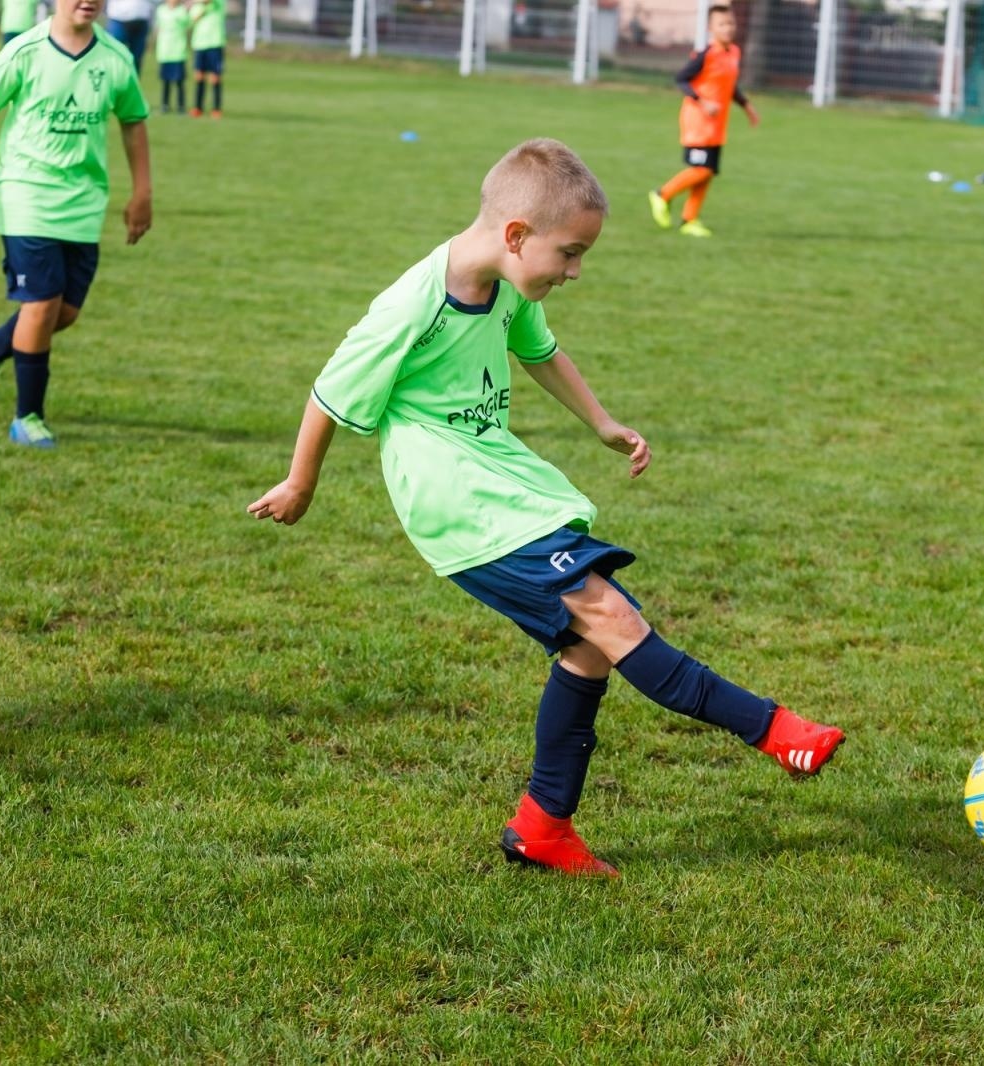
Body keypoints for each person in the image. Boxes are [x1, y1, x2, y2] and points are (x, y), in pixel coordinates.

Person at [248, 138, 844, 878]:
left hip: (502, 484)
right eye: (569, 253)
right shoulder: (412, 305)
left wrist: (601, 421)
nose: (575, 271)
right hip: (457, 501)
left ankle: (543, 826)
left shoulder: (503, 285)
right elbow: (330, 390)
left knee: (589, 647)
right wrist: (300, 484)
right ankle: (775, 729)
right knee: (612, 618)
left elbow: (540, 353)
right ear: (516, 234)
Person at [0, 0, 153, 448]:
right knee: (42, 304)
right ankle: (28, 417)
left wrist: (142, 192)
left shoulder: (115, 58)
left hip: (84, 202)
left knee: (63, 313)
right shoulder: (24, 51)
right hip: (25, 195)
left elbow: (133, 123)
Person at [646, 4, 758, 239]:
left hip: (717, 126)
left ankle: (690, 219)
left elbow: (730, 85)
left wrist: (747, 106)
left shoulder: (734, 52)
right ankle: (662, 194)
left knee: (708, 172)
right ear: (710, 28)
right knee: (702, 169)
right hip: (698, 123)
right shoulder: (705, 54)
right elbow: (681, 79)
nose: (728, 28)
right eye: (722, 24)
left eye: (731, 23)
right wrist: (703, 102)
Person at [187, 0, 226, 118]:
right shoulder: (197, 6)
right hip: (200, 44)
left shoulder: (219, 3)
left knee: (215, 77)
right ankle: (198, 107)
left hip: (215, 43)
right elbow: (193, 19)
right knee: (199, 76)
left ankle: (216, 108)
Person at [154, 0, 190, 114]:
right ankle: (165, 105)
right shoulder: (160, 10)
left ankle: (181, 107)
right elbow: (157, 28)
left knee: (179, 81)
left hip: (178, 51)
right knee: (166, 81)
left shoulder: (182, 11)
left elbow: (188, 25)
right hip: (165, 51)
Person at [107, 0, 154, 73]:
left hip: (141, 20)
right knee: (114, 56)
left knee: (136, 59)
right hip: (118, 19)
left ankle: (133, 79)